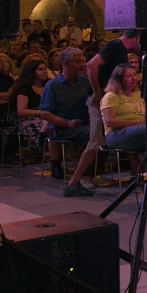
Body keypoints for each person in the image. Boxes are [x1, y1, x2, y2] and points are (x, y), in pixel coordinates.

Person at [39, 48, 99, 197]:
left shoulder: (85, 81)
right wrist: (66, 122)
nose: (83, 64)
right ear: (66, 63)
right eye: (78, 61)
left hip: (83, 124)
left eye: (83, 60)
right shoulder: (52, 85)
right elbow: (45, 113)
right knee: (91, 135)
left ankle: (93, 172)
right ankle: (83, 176)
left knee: (100, 132)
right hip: (63, 127)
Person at [100, 64, 147, 153]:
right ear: (119, 79)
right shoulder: (112, 96)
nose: (134, 78)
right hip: (116, 134)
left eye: (134, 75)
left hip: (139, 130)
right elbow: (109, 121)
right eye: (129, 76)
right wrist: (137, 123)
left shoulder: (139, 94)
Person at [10, 58, 51, 150]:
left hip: (45, 117)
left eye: (45, 69)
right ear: (32, 72)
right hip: (27, 120)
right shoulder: (25, 89)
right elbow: (21, 111)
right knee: (51, 122)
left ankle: (38, 141)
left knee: (55, 121)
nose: (45, 72)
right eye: (41, 70)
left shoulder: (48, 87)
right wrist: (42, 112)